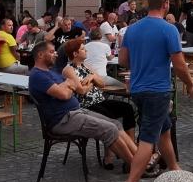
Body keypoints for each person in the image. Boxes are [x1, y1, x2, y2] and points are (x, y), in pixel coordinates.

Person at [116, 0, 193, 182]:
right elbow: (179, 64)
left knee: (164, 130)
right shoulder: (168, 29)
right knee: (148, 139)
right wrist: (189, 84)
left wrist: (141, 64)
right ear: (166, 4)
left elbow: (122, 60)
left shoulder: (132, 29)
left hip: (138, 89)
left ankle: (174, 169)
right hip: (157, 90)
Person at [29, 39, 135, 173]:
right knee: (109, 129)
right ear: (40, 55)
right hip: (63, 119)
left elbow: (71, 86)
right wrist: (69, 86)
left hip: (76, 111)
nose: (55, 54)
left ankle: (140, 159)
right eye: (51, 52)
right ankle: (136, 166)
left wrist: (69, 86)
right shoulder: (38, 75)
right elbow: (65, 94)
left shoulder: (51, 73)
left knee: (115, 124)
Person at [59, 39, 139, 168]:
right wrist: (93, 81)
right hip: (86, 106)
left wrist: (91, 78)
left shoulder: (87, 66)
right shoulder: (68, 70)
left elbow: (102, 83)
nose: (86, 51)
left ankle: (131, 148)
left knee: (127, 108)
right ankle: (110, 157)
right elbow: (81, 91)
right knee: (109, 117)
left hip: (100, 100)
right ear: (75, 53)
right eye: (83, 49)